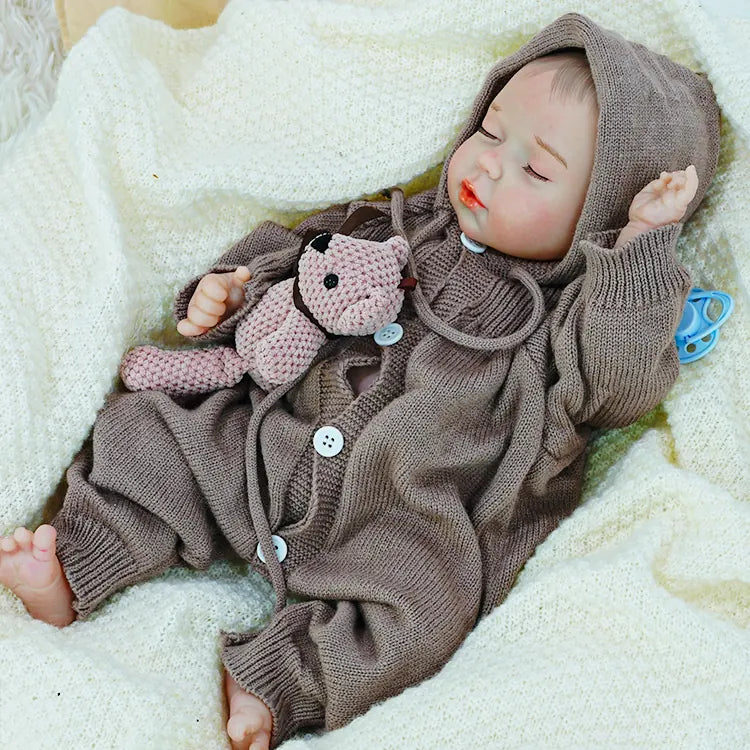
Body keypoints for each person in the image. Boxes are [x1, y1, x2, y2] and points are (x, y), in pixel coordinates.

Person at [0, 13, 720, 750]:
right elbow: (300, 257)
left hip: (400, 517)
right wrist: (230, 291)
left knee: (425, 610)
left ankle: (279, 680)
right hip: (262, 439)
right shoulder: (394, 225)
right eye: (490, 131)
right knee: (157, 429)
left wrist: (640, 251)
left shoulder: (562, 329)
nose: (490, 167)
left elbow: (622, 379)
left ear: (596, 217)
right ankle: (83, 557)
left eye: (537, 170)